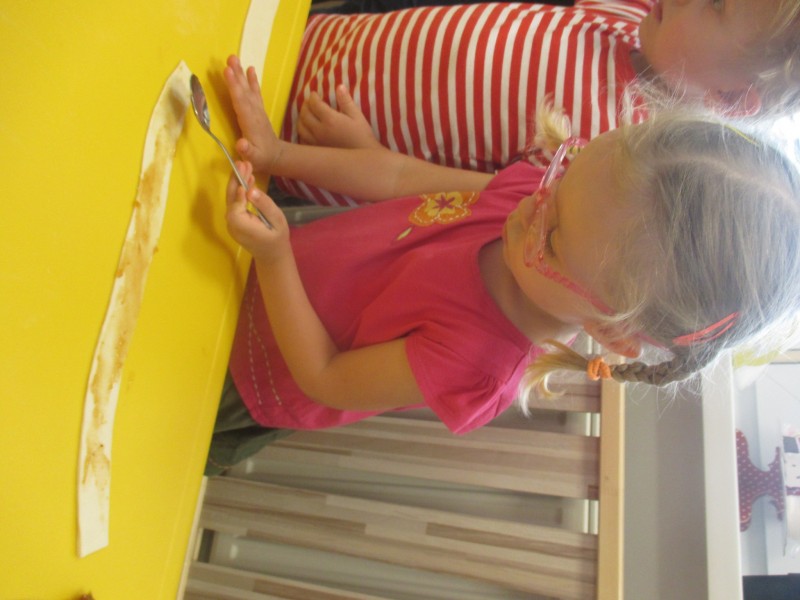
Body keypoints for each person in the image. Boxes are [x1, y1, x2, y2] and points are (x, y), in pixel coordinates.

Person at [205, 56, 800, 475]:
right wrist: (278, 154)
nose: (534, 206)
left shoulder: (477, 366)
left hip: (242, 371)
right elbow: (399, 177)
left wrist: (275, 258)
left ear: (613, 330)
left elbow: (325, 376)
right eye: (564, 172)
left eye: (556, 240)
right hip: (243, 265)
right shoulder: (539, 201)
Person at [274, 0, 800, 206]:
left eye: (716, 6)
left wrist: (365, 153)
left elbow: (464, 199)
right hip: (322, 40)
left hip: (316, 138)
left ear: (730, 99)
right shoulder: (634, 23)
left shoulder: (609, 152)